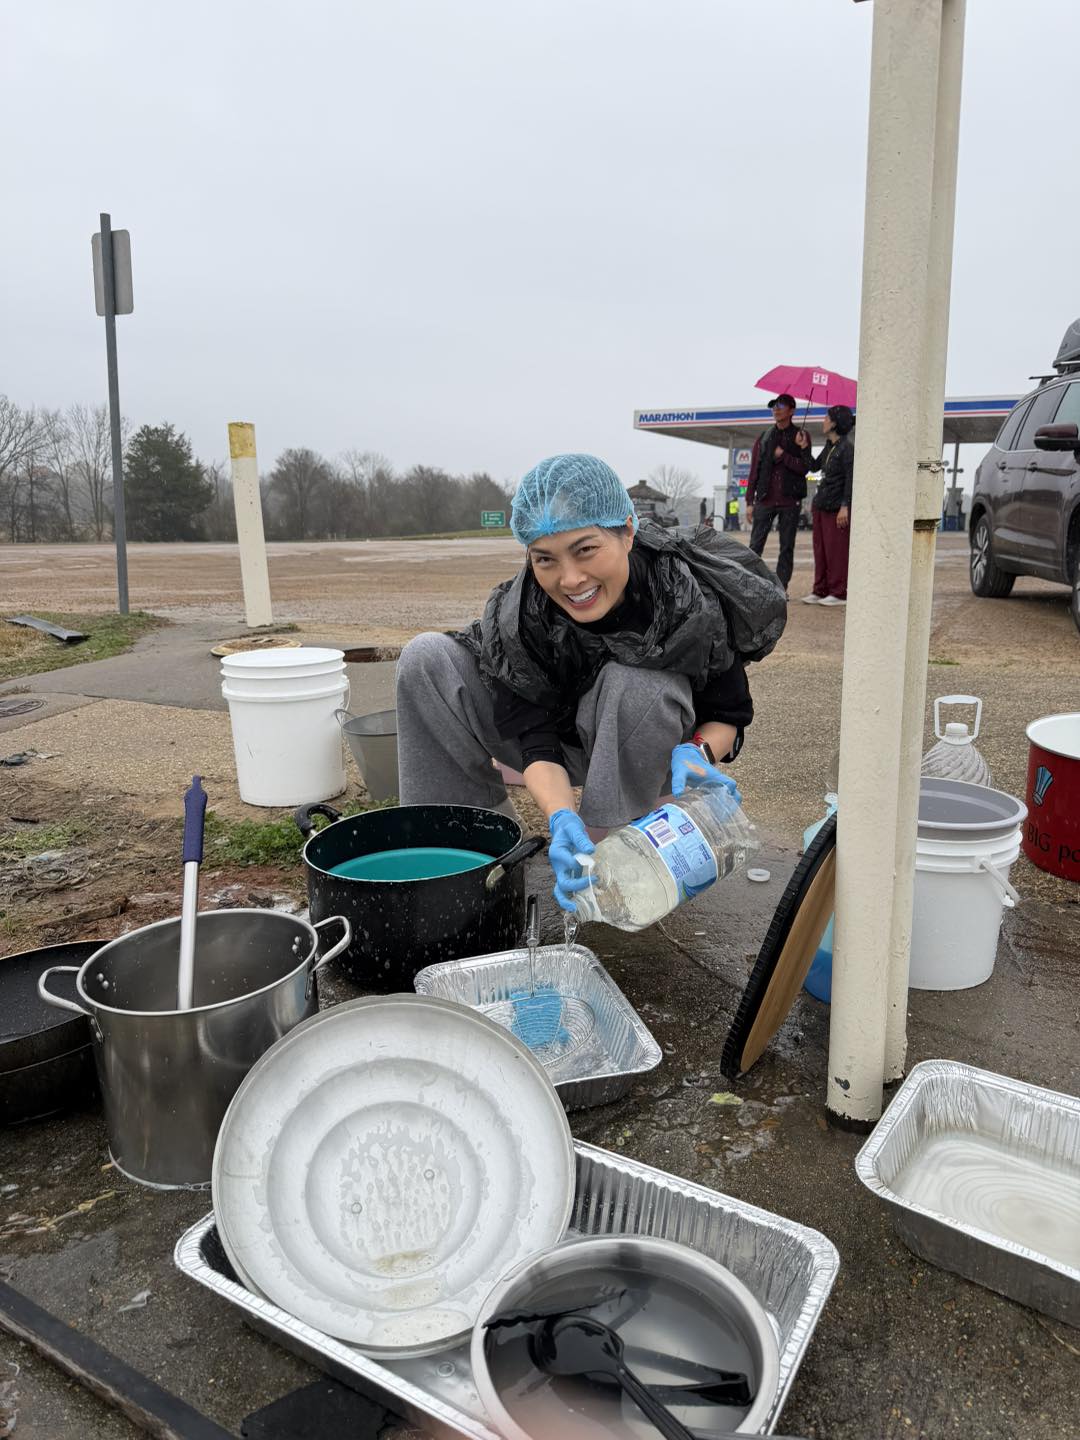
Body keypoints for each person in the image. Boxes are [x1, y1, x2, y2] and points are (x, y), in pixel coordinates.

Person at [395, 454, 786, 911]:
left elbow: (729, 712)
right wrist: (560, 816)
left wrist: (698, 753)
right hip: (557, 746)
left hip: (647, 744)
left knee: (634, 682)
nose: (570, 579)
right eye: (545, 558)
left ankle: (615, 851)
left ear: (627, 531)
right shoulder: (521, 614)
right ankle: (471, 845)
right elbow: (535, 740)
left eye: (585, 550)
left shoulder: (682, 593)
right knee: (426, 659)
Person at [746, 395, 812, 593]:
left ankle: (781, 589)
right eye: (773, 406)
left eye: (781, 405)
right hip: (764, 499)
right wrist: (749, 501)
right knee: (755, 546)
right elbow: (754, 470)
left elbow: (805, 467)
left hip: (790, 501)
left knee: (787, 547)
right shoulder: (764, 437)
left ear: (792, 410)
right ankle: (750, 586)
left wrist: (784, 455)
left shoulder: (801, 436)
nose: (776, 409)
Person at [798, 404, 854, 606]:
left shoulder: (847, 449)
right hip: (821, 505)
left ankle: (839, 592)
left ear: (835, 423)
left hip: (836, 508)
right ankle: (820, 589)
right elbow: (813, 467)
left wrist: (845, 506)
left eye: (826, 417)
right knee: (820, 550)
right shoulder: (830, 446)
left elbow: (850, 479)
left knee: (836, 551)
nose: (823, 421)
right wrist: (804, 447)